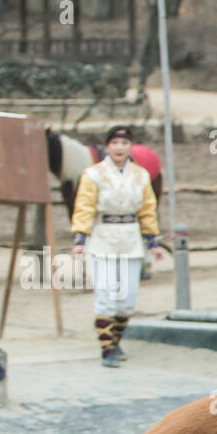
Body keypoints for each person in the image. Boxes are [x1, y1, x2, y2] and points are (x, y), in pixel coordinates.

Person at [70, 126, 163, 368]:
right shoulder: (94, 174)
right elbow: (85, 206)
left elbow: (147, 209)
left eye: (124, 143)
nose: (120, 147)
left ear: (130, 146)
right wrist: (80, 239)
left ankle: (116, 339)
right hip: (104, 237)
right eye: (115, 143)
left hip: (130, 238)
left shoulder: (141, 175)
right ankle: (107, 349)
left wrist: (152, 241)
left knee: (128, 299)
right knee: (106, 296)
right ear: (107, 146)